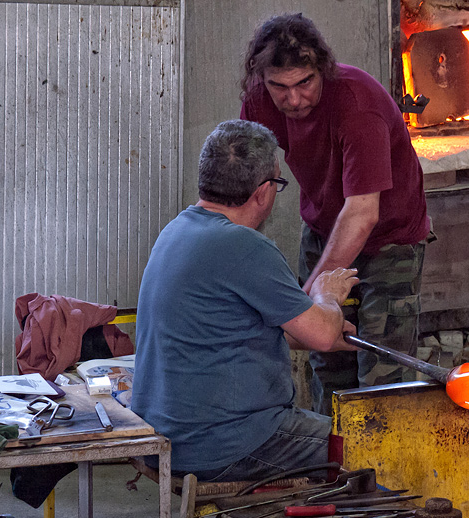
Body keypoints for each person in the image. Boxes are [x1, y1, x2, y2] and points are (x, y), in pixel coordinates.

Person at [131, 119, 358, 481]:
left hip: (169, 436)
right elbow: (322, 336)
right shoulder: (244, 246)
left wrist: (322, 327)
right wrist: (326, 296)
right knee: (375, 447)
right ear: (264, 191)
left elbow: (236, 329)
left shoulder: (178, 231)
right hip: (227, 444)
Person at [240, 13, 433, 415]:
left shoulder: (357, 105)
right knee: (326, 356)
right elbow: (247, 185)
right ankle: (334, 465)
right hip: (324, 226)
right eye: (280, 87)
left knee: (382, 371)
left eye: (304, 83)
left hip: (390, 238)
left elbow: (362, 212)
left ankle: (382, 472)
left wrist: (308, 301)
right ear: (263, 79)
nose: (293, 100)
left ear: (322, 70)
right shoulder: (259, 99)